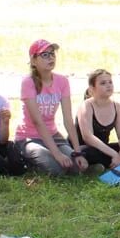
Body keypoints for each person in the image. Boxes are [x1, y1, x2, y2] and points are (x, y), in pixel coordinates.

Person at [14, 39, 89, 176]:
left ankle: (56, 157)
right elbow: (38, 122)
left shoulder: (62, 81)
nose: (51, 57)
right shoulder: (28, 82)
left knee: (76, 167)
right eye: (45, 55)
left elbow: (68, 119)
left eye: (52, 54)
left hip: (53, 135)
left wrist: (77, 152)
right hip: (29, 137)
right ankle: (28, 162)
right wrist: (57, 155)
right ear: (33, 60)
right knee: (57, 169)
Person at [76, 69, 120, 170]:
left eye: (110, 82)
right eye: (103, 83)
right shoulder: (86, 106)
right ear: (92, 88)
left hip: (104, 149)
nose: (108, 85)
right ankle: (97, 165)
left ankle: (102, 165)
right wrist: (114, 154)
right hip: (85, 148)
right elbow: (88, 138)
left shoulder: (116, 106)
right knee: (87, 152)